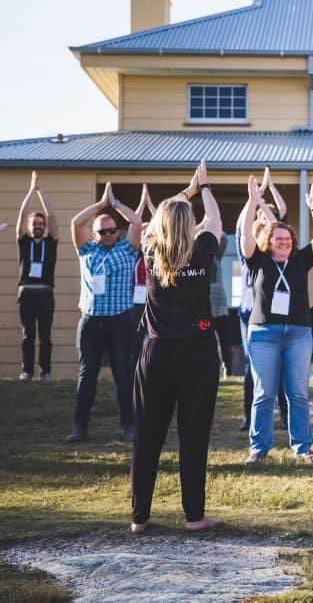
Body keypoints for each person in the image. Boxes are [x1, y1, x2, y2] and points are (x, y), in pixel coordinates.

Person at [130, 160, 222, 534]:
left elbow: (152, 224)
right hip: (197, 354)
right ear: (190, 225)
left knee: (147, 436)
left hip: (156, 354)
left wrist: (187, 190)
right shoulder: (203, 249)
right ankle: (194, 516)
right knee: (194, 436)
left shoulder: (151, 251)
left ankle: (139, 518)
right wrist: (205, 188)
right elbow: (214, 218)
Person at [240, 174, 313, 463]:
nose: (285, 243)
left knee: (298, 394)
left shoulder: (300, 260)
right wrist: (253, 202)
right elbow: (244, 236)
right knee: (263, 394)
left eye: (288, 239)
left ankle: (302, 448)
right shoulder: (257, 260)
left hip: (299, 334)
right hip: (263, 332)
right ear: (269, 241)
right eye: (279, 239)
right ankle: (259, 449)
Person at [67, 182, 143, 442]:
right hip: (90, 321)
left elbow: (137, 222)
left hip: (120, 320)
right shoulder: (87, 249)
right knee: (87, 375)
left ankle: (128, 426)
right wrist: (100, 205)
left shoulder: (127, 248)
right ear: (95, 233)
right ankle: (80, 426)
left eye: (113, 230)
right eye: (104, 231)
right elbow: (76, 223)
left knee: (123, 375)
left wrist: (117, 204)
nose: (110, 234)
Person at [237, 168, 289, 432]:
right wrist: (253, 200)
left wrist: (266, 190)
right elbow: (243, 227)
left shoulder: (272, 250)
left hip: (272, 308)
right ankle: (249, 415)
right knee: (252, 365)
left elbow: (279, 220)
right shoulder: (249, 249)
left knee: (281, 361)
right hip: (250, 310)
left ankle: (284, 414)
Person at [16, 171, 59, 382]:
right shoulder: (24, 242)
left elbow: (51, 215)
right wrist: (30, 190)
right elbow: (22, 216)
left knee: (45, 337)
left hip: (45, 293)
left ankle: (45, 372)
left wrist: (40, 191)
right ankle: (26, 371)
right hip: (26, 293)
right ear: (30, 227)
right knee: (27, 335)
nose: (38, 226)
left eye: (41, 224)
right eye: (35, 224)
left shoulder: (51, 242)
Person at [129, 185, 156, 372]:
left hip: (153, 302)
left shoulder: (157, 253)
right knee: (136, 341)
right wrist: (141, 204)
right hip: (134, 304)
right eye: (142, 233)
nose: (145, 236)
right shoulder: (132, 254)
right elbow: (134, 224)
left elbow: (164, 223)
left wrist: (151, 205)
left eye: (148, 233)